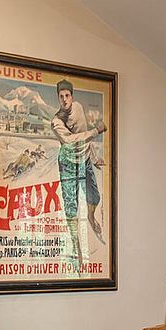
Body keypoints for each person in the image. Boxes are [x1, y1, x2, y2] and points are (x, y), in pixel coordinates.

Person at [50, 79, 107, 258]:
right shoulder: (56, 122)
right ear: (58, 98)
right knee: (71, 207)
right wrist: (96, 131)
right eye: (61, 96)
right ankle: (76, 245)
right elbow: (71, 140)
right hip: (68, 164)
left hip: (85, 159)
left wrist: (95, 158)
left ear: (72, 96)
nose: (64, 99)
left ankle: (90, 216)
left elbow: (84, 136)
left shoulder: (79, 108)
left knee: (94, 196)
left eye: (67, 95)